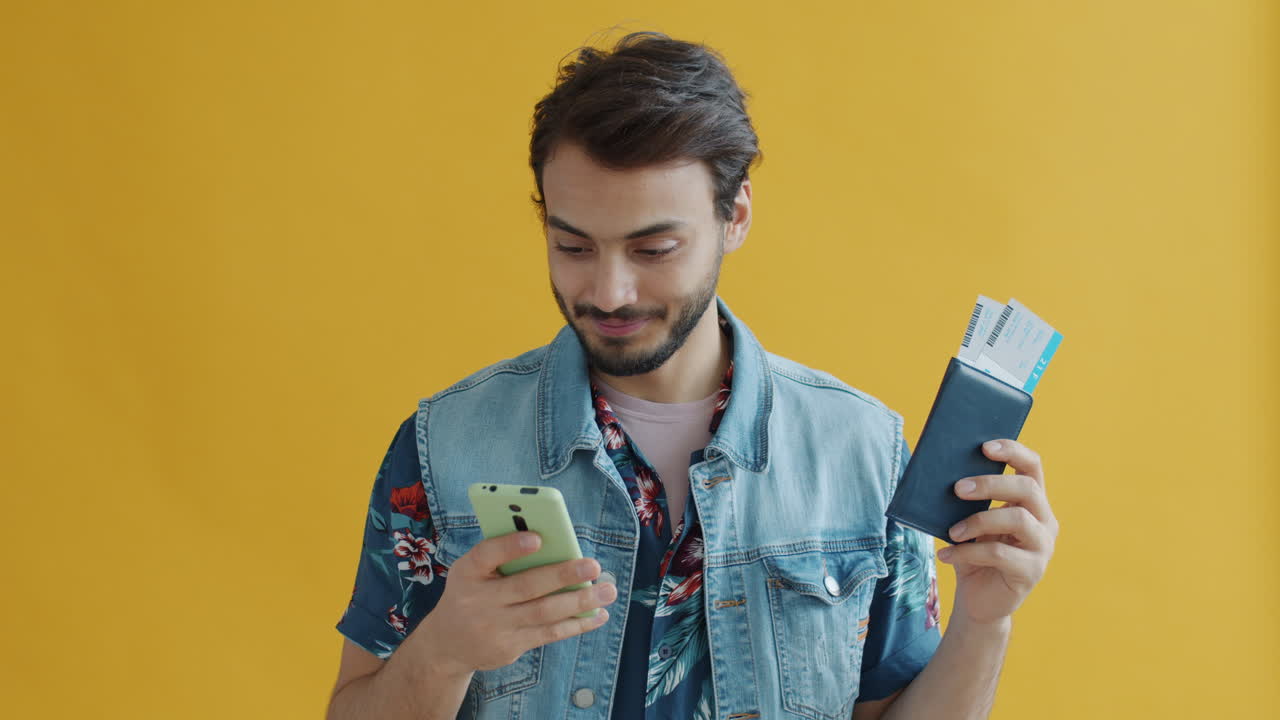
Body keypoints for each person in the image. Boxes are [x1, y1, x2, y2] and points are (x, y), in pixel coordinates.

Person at [325, 31, 1059, 720]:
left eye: (654, 250)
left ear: (734, 216)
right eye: (573, 246)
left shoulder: (862, 451)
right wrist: (445, 650)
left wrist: (985, 622)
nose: (609, 292)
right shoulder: (442, 447)